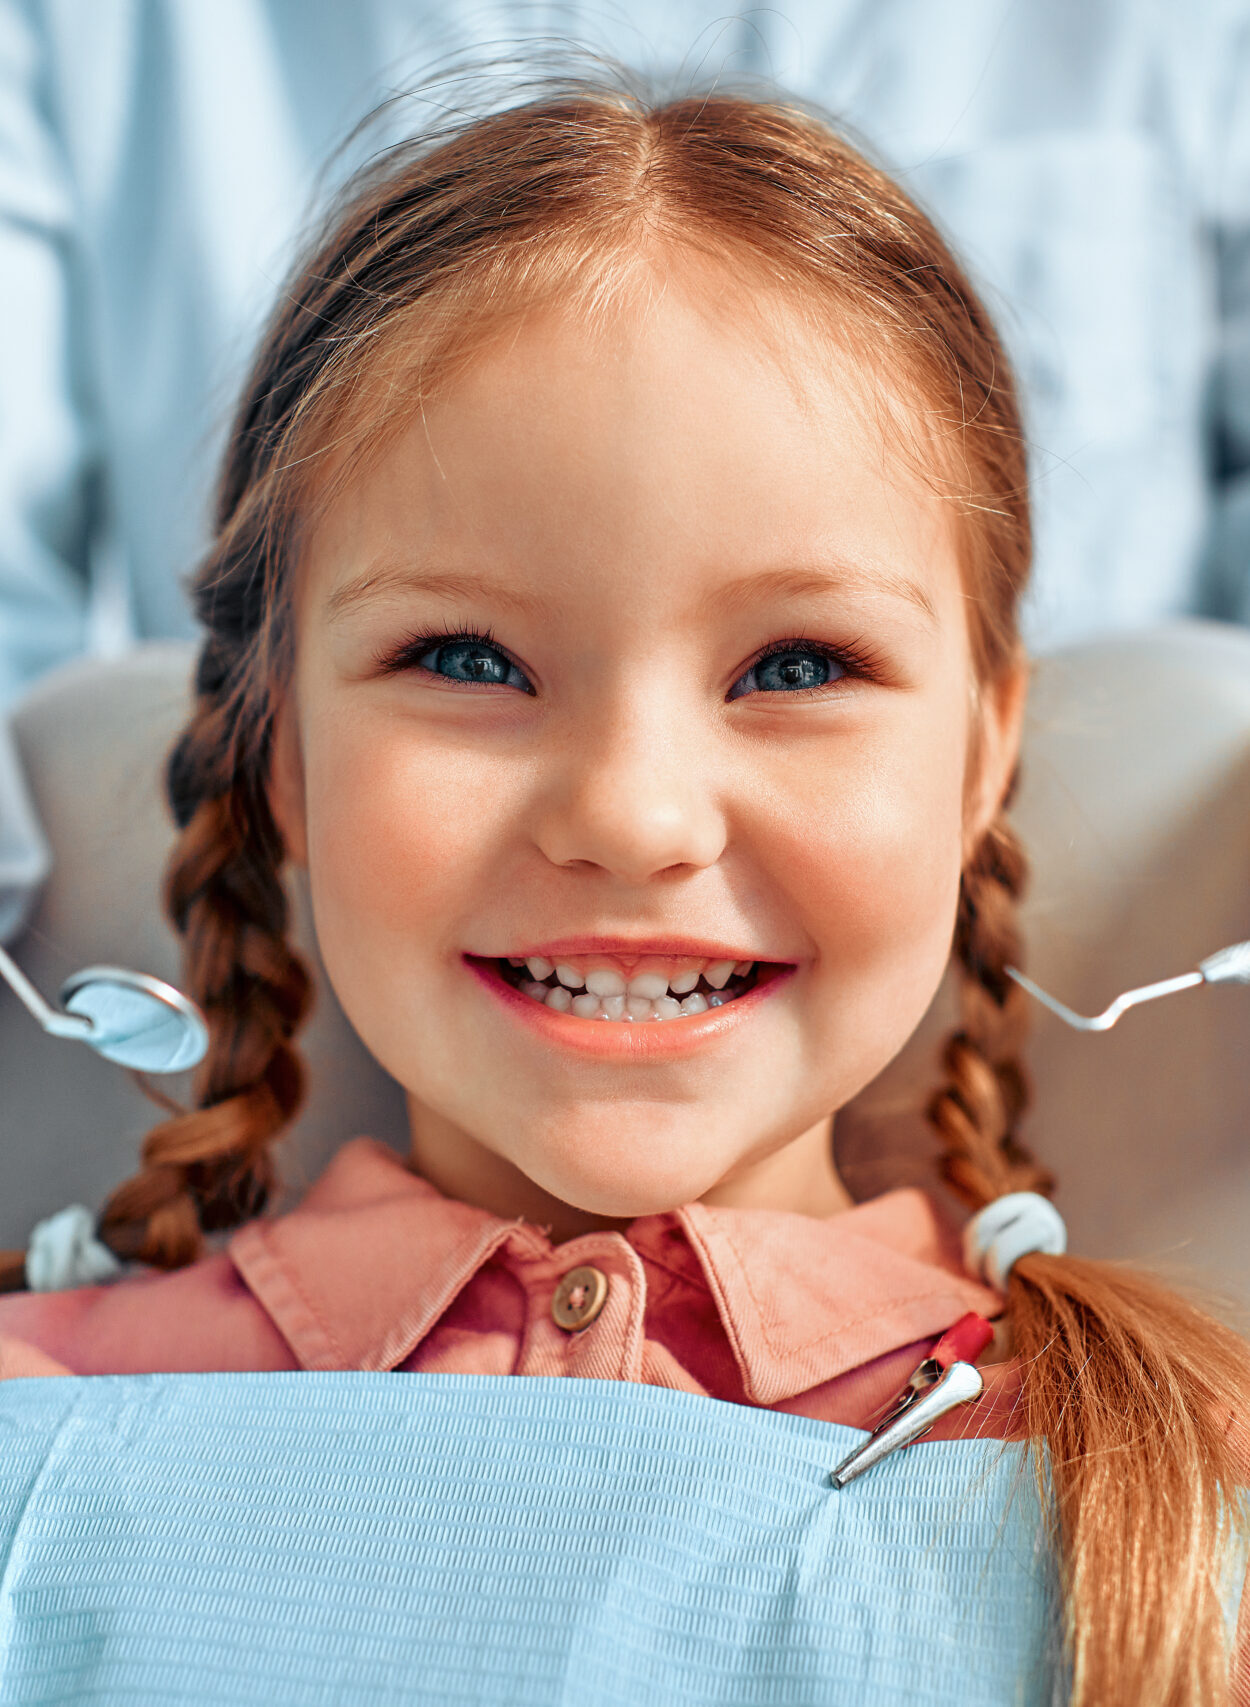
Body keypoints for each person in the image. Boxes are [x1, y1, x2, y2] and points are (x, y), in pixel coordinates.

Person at [0, 71, 1247, 1703]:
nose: (634, 816)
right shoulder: (36, 1409)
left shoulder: (1176, 1482)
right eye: (464, 657)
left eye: (798, 662)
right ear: (281, 749)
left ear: (978, 755)